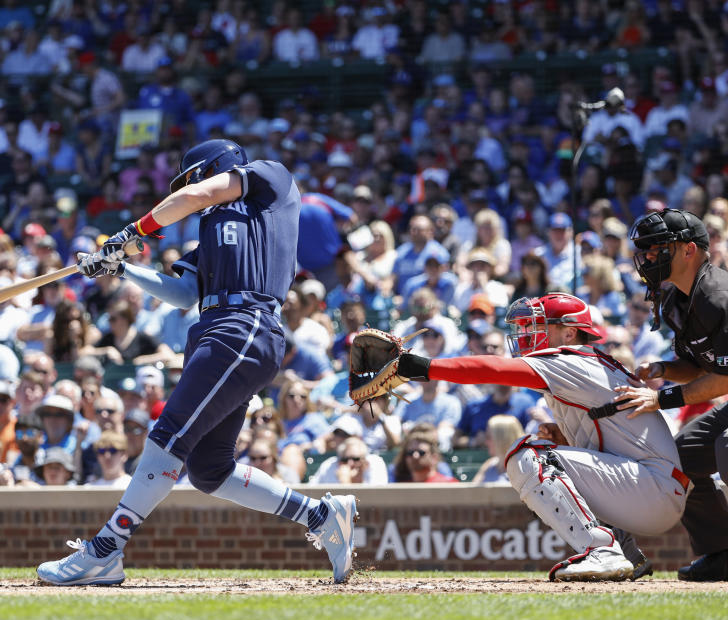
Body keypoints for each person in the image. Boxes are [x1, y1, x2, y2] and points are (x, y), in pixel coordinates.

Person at [37, 138, 356, 586]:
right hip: (216, 326)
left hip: (244, 323)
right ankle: (321, 515)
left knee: (168, 435)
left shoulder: (270, 180)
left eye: (195, 176)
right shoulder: (212, 230)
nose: (191, 187)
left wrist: (132, 233)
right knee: (210, 470)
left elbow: (197, 195)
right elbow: (183, 293)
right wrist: (119, 268)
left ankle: (106, 549)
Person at [383, 293, 685, 581]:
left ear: (569, 333)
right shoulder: (585, 361)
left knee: (528, 454)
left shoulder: (571, 359)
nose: (527, 333)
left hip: (651, 487)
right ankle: (627, 554)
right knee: (553, 452)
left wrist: (421, 367)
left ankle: (601, 550)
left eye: (538, 326)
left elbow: (494, 369)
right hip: (651, 485)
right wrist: (568, 439)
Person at [616, 209, 728, 581]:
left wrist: (660, 399)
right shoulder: (676, 301)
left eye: (657, 248)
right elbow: (699, 365)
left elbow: (724, 379)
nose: (648, 257)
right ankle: (721, 552)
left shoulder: (718, 296)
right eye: (645, 250)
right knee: (678, 458)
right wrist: (662, 371)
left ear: (689, 251)